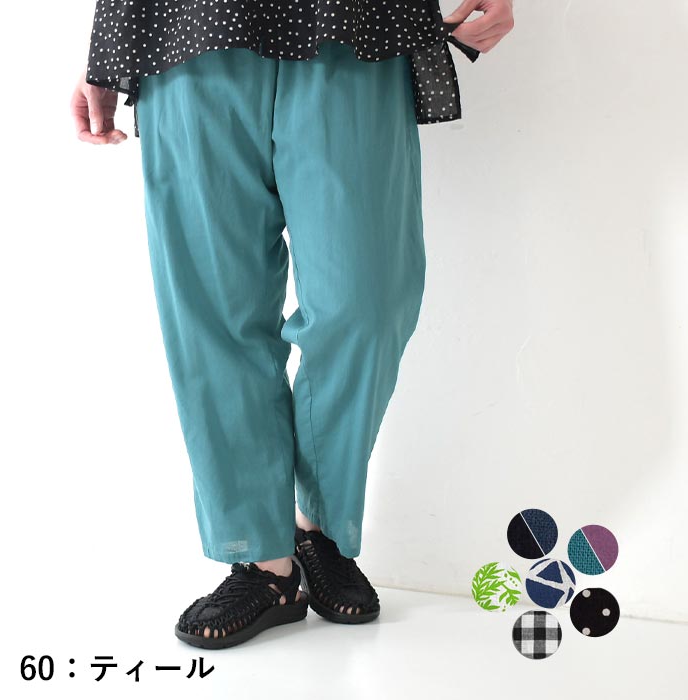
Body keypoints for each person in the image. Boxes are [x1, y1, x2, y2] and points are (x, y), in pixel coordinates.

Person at [70, 0, 514, 650]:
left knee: (368, 301)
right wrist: (109, 51)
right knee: (213, 311)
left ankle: (316, 525)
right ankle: (264, 562)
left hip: (353, 21)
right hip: (187, 26)